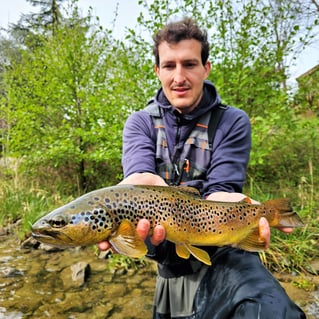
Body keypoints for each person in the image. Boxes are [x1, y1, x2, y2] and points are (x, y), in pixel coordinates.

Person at [98, 17, 306, 319]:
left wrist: (246, 210)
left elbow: (222, 190)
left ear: (206, 68)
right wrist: (135, 190)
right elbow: (139, 177)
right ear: (157, 71)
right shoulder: (140, 123)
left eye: (190, 64)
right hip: (169, 260)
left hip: (224, 254)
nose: (179, 76)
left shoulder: (232, 121)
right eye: (169, 66)